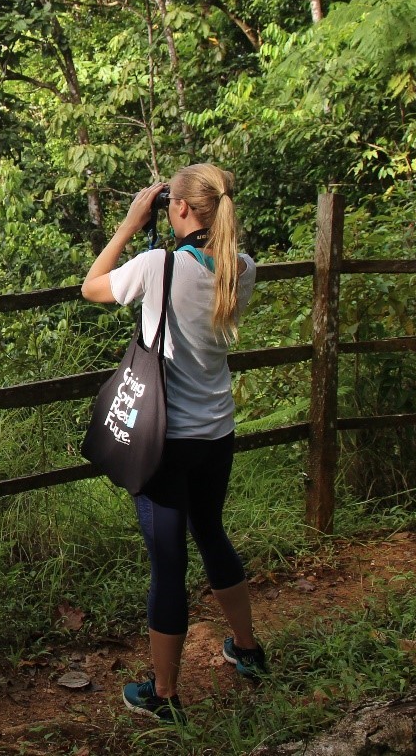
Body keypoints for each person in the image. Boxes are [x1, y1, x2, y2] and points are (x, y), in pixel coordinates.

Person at [79, 163, 267, 725]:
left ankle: (164, 696)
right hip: (218, 433)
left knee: (168, 563)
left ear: (178, 208)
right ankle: (248, 649)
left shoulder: (156, 265)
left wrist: (132, 223)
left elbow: (91, 286)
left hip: (166, 442)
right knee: (210, 530)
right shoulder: (243, 269)